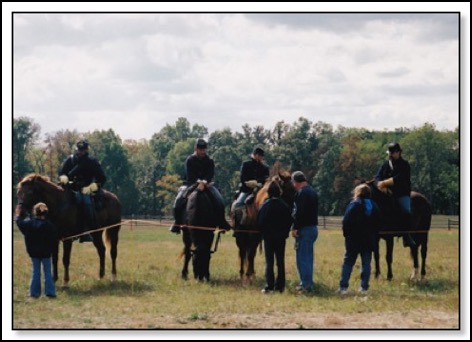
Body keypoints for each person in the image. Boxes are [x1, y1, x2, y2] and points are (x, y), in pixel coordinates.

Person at [169, 138, 231, 234]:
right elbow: (190, 175)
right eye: (200, 149)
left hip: (207, 184)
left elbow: (210, 174)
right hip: (190, 184)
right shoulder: (190, 160)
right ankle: (177, 223)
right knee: (178, 200)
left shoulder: (210, 161)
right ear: (196, 149)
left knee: (219, 200)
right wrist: (199, 182)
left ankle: (221, 222)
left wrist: (204, 182)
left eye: (204, 149)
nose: (202, 151)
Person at [337, 184, 381, 295]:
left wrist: (346, 235)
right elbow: (379, 224)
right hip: (369, 240)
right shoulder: (374, 206)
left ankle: (343, 287)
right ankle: (364, 288)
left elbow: (346, 222)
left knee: (348, 263)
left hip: (353, 240)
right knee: (366, 264)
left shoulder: (354, 205)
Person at [59, 139, 106, 242]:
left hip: (85, 188)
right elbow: (62, 172)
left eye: (82, 150)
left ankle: (87, 231)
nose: (80, 152)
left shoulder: (92, 162)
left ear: (86, 150)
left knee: (87, 203)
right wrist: (63, 177)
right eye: (79, 149)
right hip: (70, 187)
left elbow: (102, 178)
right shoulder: (70, 160)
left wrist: (91, 187)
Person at [375, 142, 416, 248]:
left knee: (406, 211)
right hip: (387, 193)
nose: (390, 155)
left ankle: (407, 236)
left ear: (398, 152)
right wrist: (380, 184)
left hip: (401, 194)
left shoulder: (405, 165)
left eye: (392, 153)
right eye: (390, 153)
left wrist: (385, 182)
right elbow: (378, 176)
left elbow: (400, 178)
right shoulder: (385, 164)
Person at [257, 182, 293, 294]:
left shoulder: (265, 206)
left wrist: (263, 233)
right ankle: (280, 286)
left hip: (268, 238)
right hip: (281, 238)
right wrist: (285, 233)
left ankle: (269, 285)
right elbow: (289, 221)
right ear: (279, 192)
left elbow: (260, 221)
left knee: (269, 262)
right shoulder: (284, 205)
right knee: (280, 261)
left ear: (268, 193)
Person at [15, 202, 57, 298]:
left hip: (33, 253)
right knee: (47, 272)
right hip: (46, 253)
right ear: (46, 212)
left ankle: (34, 293)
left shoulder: (29, 223)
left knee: (36, 272)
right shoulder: (49, 225)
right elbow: (54, 238)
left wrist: (17, 215)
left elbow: (20, 223)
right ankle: (50, 293)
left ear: (35, 212)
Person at [291, 171, 319, 293]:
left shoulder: (302, 193)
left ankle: (306, 285)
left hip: (304, 228)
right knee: (308, 257)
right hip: (313, 227)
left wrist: (295, 227)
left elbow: (300, 213)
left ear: (296, 182)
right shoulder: (312, 192)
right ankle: (307, 282)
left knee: (303, 258)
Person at [233, 147, 269, 212]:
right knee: (239, 204)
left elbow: (266, 177)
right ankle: (239, 221)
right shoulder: (246, 164)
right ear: (255, 155)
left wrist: (258, 182)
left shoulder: (265, 167)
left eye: (261, 156)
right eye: (259, 155)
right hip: (247, 189)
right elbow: (243, 177)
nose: (260, 157)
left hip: (260, 188)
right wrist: (249, 183)